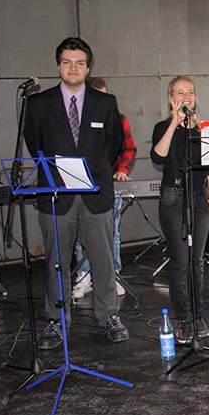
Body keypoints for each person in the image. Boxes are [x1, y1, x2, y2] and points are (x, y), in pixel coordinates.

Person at [24, 37, 128, 349]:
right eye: (67, 62)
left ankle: (109, 315)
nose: (73, 68)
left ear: (87, 67)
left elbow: (113, 145)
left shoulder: (105, 103)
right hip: (56, 196)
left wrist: (92, 171)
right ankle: (57, 320)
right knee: (57, 261)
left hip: (95, 194)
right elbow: (35, 143)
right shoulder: (39, 103)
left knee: (103, 260)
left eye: (80, 63)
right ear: (59, 65)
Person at [151, 76, 209, 344]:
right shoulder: (162, 127)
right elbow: (158, 157)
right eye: (180, 92)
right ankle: (183, 318)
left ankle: (198, 316)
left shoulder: (203, 130)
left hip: (199, 198)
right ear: (171, 99)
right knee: (180, 261)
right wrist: (174, 123)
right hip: (173, 198)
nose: (186, 96)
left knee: (196, 261)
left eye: (190, 92)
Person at [72, 77, 136, 301]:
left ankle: (113, 274)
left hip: (109, 184)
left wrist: (122, 170)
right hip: (81, 184)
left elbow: (128, 148)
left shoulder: (119, 120)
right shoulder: (74, 122)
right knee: (83, 236)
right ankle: (84, 275)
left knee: (112, 233)